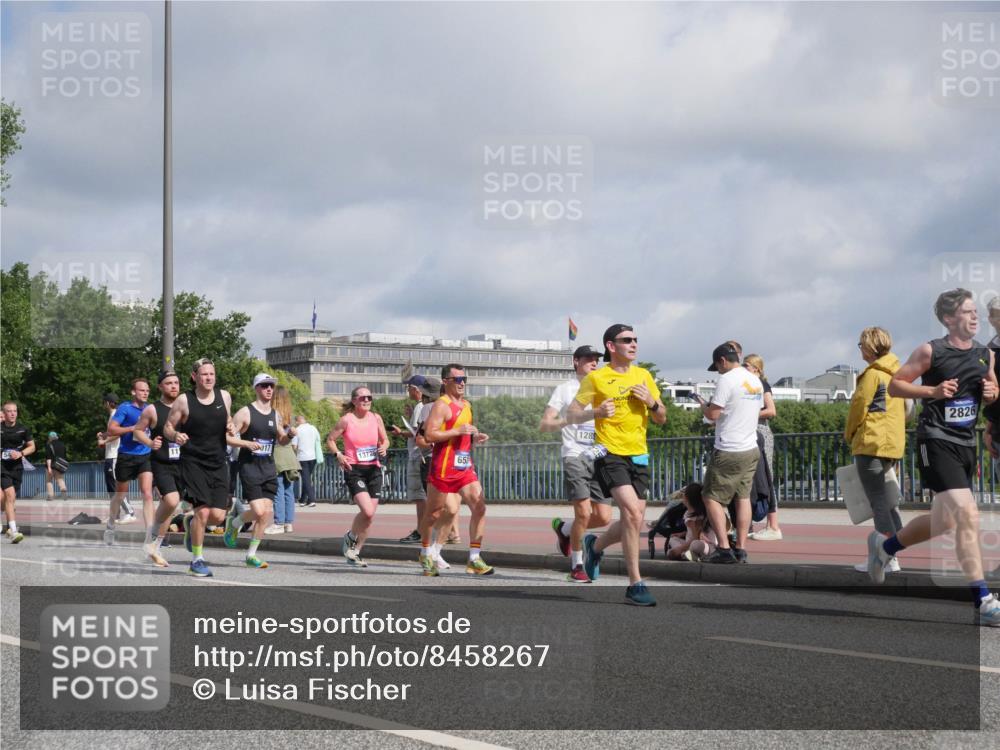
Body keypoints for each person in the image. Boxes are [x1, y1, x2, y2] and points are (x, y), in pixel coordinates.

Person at [868, 289, 1000, 625]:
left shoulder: (985, 354)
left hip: (965, 443)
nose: (975, 317)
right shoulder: (931, 351)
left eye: (975, 311)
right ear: (948, 319)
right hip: (936, 440)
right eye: (967, 312)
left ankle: (885, 548)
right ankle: (983, 600)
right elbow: (896, 385)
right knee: (967, 514)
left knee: (945, 521)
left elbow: (993, 388)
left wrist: (991, 392)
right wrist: (933, 391)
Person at [568, 324, 666, 606]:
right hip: (609, 452)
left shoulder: (643, 375)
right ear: (611, 346)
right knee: (633, 513)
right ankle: (635, 584)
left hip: (639, 454)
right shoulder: (597, 378)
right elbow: (572, 414)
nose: (634, 344)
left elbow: (661, 418)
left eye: (635, 339)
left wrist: (652, 403)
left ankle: (595, 546)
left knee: (631, 519)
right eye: (627, 340)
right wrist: (597, 412)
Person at [540, 344, 613, 582]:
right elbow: (545, 424)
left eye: (596, 359)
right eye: (588, 358)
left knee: (603, 517)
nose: (594, 362)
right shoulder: (565, 389)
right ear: (575, 361)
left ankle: (564, 529)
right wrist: (570, 419)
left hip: (599, 455)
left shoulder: (604, 387)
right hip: (574, 455)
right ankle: (577, 566)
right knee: (583, 512)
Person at [163, 358, 238, 578]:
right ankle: (197, 560)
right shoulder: (184, 400)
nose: (209, 378)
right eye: (204, 374)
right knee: (203, 512)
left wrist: (230, 425)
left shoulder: (224, 397)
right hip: (193, 462)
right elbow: (168, 427)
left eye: (212, 374)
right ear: (194, 376)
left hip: (218, 462)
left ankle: (190, 521)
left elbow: (227, 419)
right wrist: (175, 435)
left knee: (217, 516)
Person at [420, 364, 493, 577]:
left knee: (479, 507)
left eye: (464, 379)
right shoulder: (441, 405)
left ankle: (474, 559)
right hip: (443, 467)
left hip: (464, 466)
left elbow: (464, 433)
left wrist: (475, 437)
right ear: (446, 382)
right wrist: (457, 431)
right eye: (457, 379)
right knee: (433, 514)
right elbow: (429, 436)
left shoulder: (467, 405)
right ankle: (425, 552)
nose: (462, 383)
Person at [843, 328, 906, 574]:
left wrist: (849, 434)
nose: (860, 349)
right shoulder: (897, 373)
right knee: (889, 502)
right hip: (892, 444)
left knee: (877, 501)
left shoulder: (872, 374)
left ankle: (886, 557)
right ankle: (895, 551)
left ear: (869, 348)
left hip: (871, 443)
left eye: (861, 345)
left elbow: (859, 408)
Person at [695, 342, 763, 564]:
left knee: (710, 497)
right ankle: (741, 549)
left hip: (729, 448)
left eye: (717, 367)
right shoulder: (755, 380)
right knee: (742, 498)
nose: (718, 371)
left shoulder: (726, 379)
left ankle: (724, 549)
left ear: (722, 361)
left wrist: (703, 405)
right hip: (751, 447)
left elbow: (713, 415)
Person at [224, 373, 295, 568]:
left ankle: (251, 555)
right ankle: (235, 523)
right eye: (264, 385)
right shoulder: (245, 412)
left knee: (265, 514)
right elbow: (227, 438)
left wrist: (289, 435)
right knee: (258, 510)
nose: (269, 389)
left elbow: (281, 440)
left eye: (271, 385)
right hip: (250, 468)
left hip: (269, 468)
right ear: (256, 388)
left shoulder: (275, 414)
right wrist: (246, 443)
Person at [327, 386, 390, 568]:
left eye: (369, 397)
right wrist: (338, 454)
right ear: (354, 401)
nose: (367, 400)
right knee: (367, 511)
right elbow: (330, 440)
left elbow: (385, 439)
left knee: (369, 517)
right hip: (354, 469)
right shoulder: (346, 420)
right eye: (362, 398)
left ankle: (355, 552)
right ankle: (350, 536)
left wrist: (384, 447)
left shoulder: (376, 418)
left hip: (374, 469)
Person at [132, 370, 184, 567]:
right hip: (162, 463)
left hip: (184, 463)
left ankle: (154, 545)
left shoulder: (186, 406)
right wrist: (150, 442)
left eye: (176, 382)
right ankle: (152, 539)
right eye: (169, 383)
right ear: (160, 387)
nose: (174, 386)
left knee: (173, 507)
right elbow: (137, 431)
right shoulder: (152, 410)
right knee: (171, 500)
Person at [104, 378, 155, 546]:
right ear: (133, 392)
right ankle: (111, 524)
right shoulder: (125, 408)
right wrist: (132, 428)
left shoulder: (150, 408)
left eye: (147, 390)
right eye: (142, 390)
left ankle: (149, 535)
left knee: (147, 493)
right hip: (126, 456)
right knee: (120, 495)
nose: (145, 393)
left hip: (145, 455)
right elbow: (112, 429)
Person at [393, 375, 440, 544]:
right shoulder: (427, 407)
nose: (408, 391)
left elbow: (417, 434)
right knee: (429, 496)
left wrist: (401, 432)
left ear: (416, 389)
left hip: (419, 455)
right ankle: (436, 532)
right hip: (425, 454)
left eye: (409, 388)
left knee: (420, 497)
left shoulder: (423, 407)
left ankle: (422, 531)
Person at [743, 354, 781, 541]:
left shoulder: (761, 384)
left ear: (756, 369)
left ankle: (773, 525)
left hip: (761, 432)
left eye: (746, 365)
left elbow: (771, 410)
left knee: (766, 476)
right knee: (748, 479)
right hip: (749, 432)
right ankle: (746, 523)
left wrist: (748, 413)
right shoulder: (747, 386)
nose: (743, 368)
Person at [97, 393, 136, 523]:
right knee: (111, 487)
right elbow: (112, 433)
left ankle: (130, 513)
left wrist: (104, 441)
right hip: (110, 456)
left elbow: (118, 434)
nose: (103, 405)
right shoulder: (113, 416)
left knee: (117, 486)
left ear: (108, 403)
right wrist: (103, 435)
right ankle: (115, 515)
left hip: (114, 456)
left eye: (104, 403)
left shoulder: (115, 415)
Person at [1, 401, 35, 543]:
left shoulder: (23, 429)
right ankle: (14, 531)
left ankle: (8, 527)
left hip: (16, 467)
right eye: (9, 411)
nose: (13, 413)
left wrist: (20, 453)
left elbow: (32, 447)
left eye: (15, 411)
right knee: (9, 495)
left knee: (8, 499)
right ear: (4, 413)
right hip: (2, 466)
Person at [293, 414, 320, 508]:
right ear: (304, 419)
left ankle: (312, 500)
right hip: (313, 457)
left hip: (302, 457)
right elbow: (317, 440)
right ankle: (303, 500)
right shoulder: (313, 428)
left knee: (306, 479)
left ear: (297, 421)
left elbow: (294, 446)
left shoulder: (297, 430)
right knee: (307, 478)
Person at [45, 431, 69, 501]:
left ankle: (50, 496)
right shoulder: (62, 444)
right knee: (60, 479)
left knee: (49, 481)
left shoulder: (49, 445)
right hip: (60, 465)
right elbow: (64, 456)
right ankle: (63, 490)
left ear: (50, 438)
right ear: (56, 437)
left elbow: (48, 457)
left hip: (51, 465)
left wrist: (49, 467)